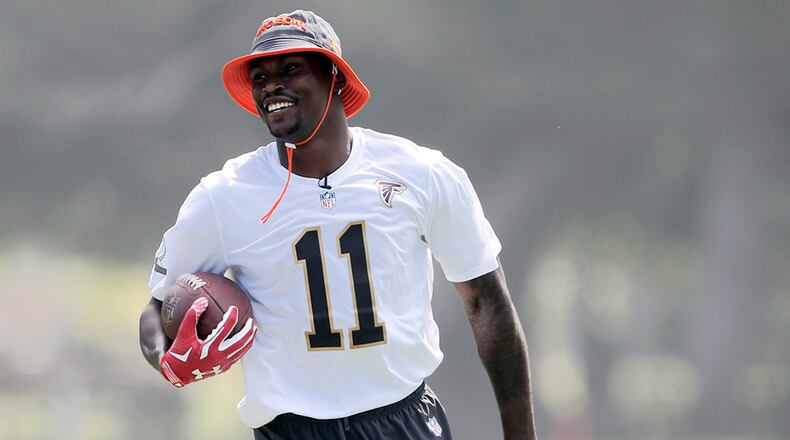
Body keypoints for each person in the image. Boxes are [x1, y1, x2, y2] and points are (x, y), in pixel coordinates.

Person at [139, 9, 536, 440]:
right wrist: (166, 357)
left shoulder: (423, 174)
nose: (272, 85)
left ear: (335, 78)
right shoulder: (224, 195)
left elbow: (487, 304)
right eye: (260, 77)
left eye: (290, 68)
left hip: (403, 421)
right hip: (289, 430)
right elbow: (158, 307)